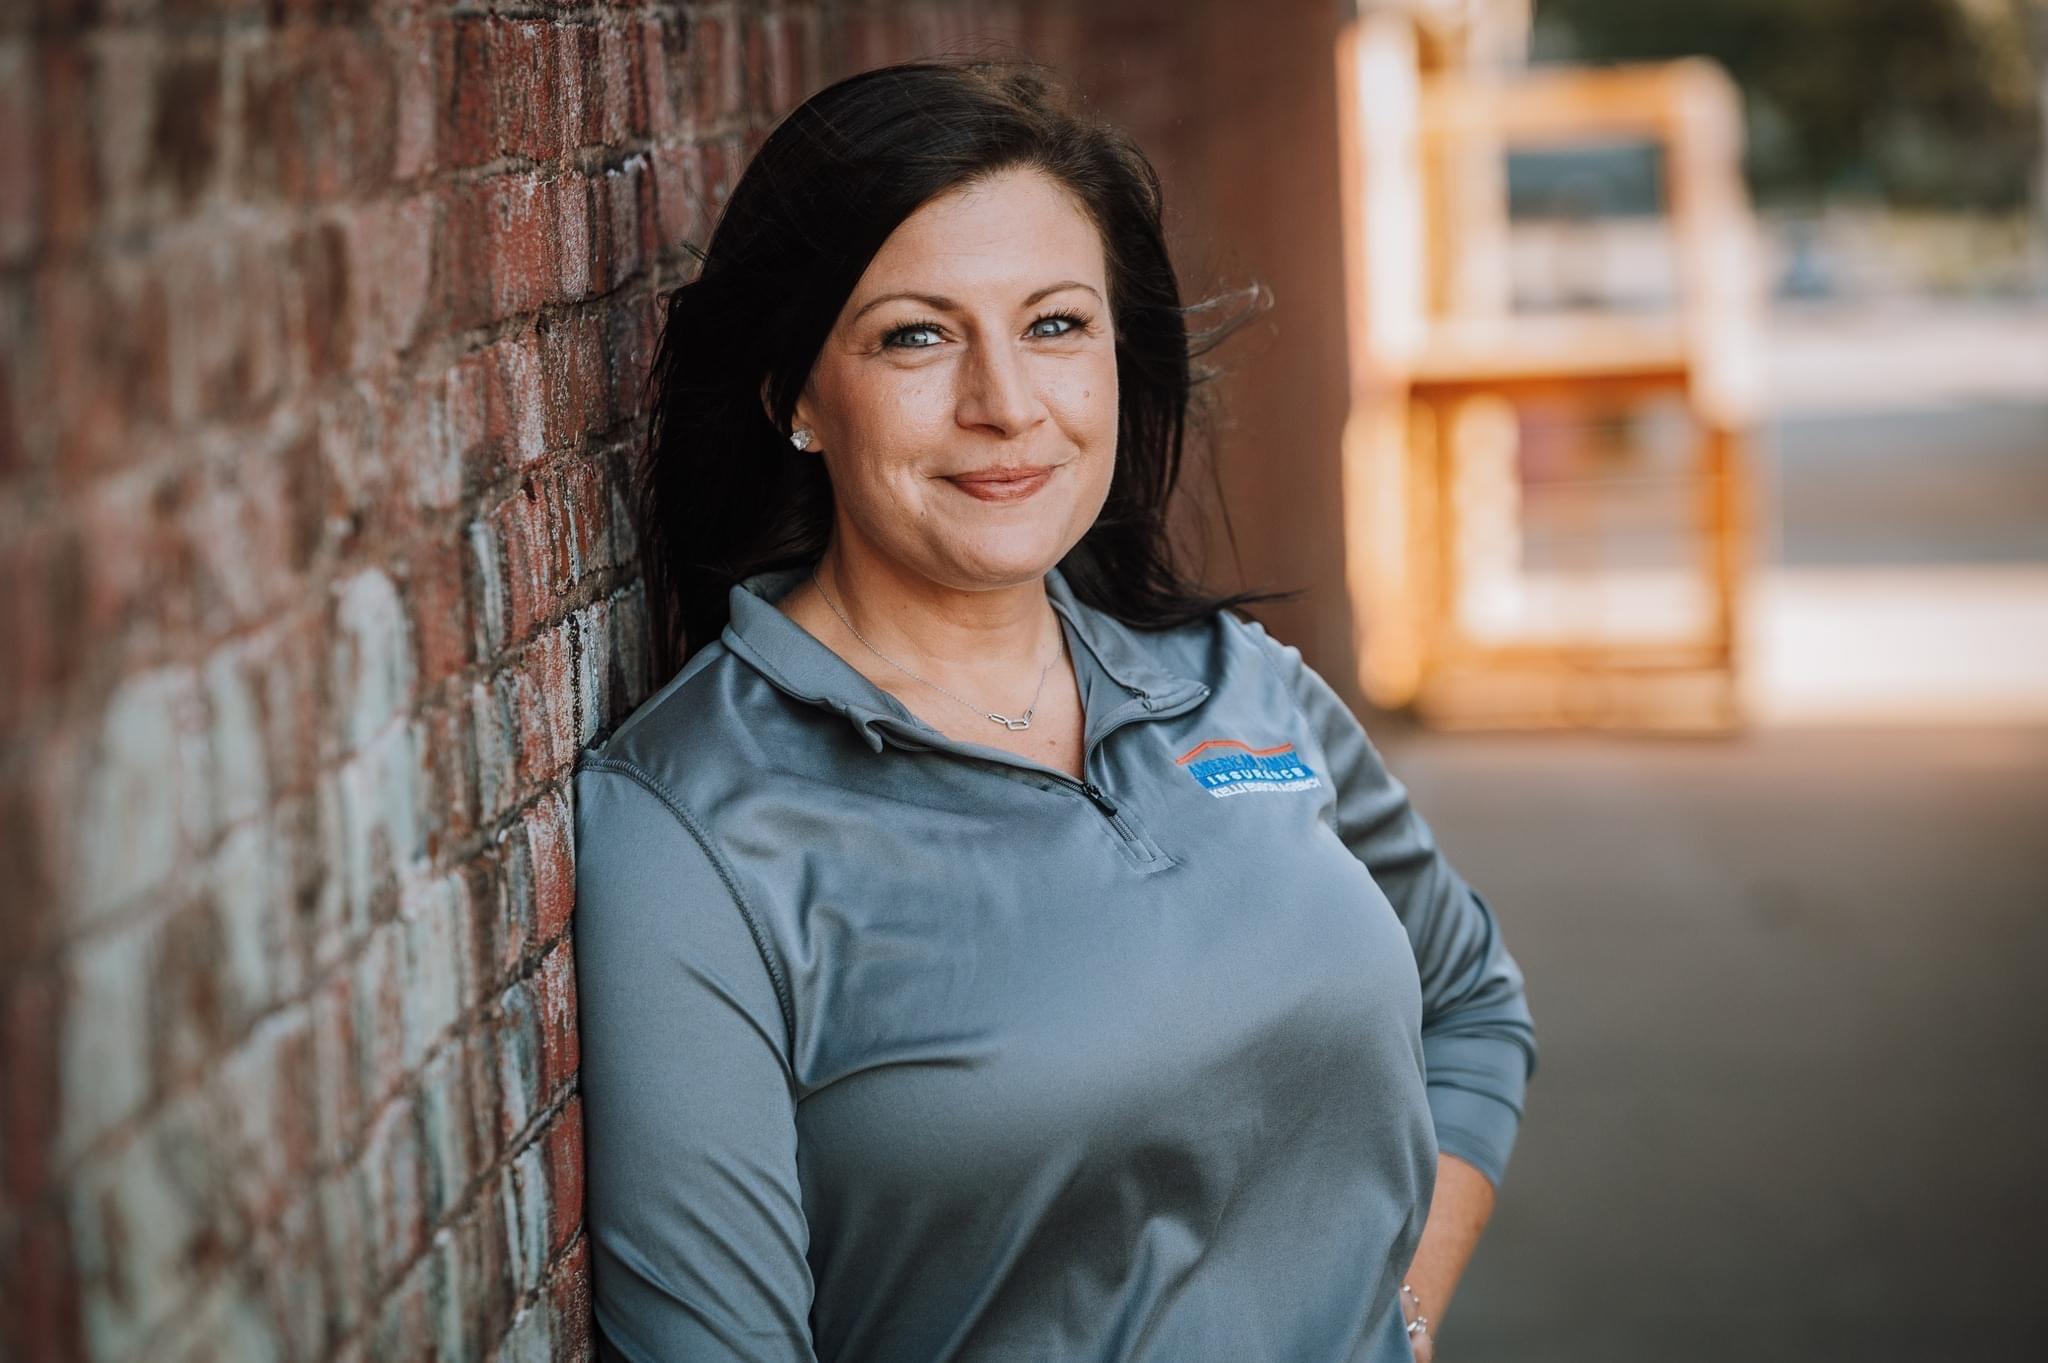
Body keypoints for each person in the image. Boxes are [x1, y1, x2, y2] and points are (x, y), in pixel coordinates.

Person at [571, 59, 1536, 1363]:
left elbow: (1468, 1000)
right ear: (795, 394)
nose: (1007, 405)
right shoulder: (692, 827)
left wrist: (1398, 1319)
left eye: (1056, 325)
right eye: (917, 334)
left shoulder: (1233, 684)